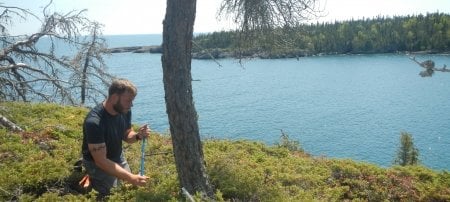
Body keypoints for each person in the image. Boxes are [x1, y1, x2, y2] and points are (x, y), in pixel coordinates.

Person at [81, 78, 150, 198]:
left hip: (117, 157)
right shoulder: (94, 122)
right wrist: (131, 177)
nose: (131, 105)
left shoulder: (124, 110)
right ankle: (89, 177)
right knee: (113, 194)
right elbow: (101, 161)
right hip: (96, 164)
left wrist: (138, 136)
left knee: (130, 187)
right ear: (114, 98)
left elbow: (127, 135)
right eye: (128, 101)